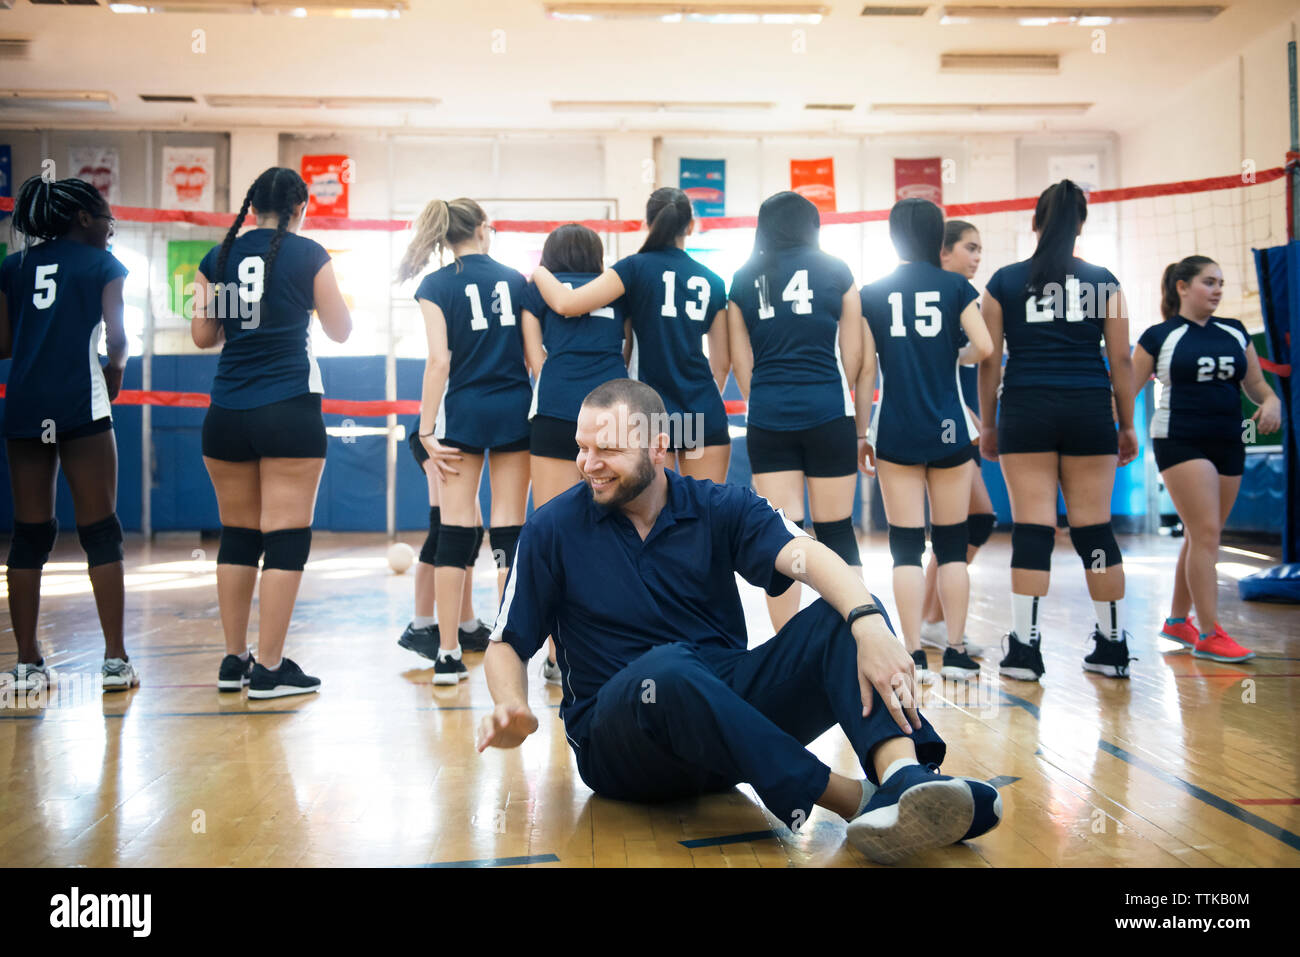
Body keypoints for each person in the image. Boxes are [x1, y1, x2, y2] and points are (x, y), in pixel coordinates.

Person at [477, 378, 1002, 865]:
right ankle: (857, 800)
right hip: (623, 745)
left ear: (658, 448)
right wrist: (510, 705)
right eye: (581, 447)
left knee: (847, 613)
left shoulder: (717, 505)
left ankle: (904, 778)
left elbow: (806, 554)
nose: (587, 463)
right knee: (669, 672)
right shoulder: (552, 528)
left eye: (606, 450)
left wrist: (869, 623)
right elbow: (506, 642)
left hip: (726, 726)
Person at [192, 166, 352, 698]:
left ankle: (233, 660)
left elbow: (201, 335)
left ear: (251, 206)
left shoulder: (216, 257)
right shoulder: (308, 254)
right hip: (289, 409)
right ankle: (269, 668)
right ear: (301, 208)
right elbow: (340, 329)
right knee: (285, 536)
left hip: (227, 411)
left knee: (237, 533)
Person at [978, 180, 1138, 681]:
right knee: (1094, 529)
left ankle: (1025, 651)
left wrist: (987, 424)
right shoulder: (1105, 282)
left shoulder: (1003, 281)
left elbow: (990, 363)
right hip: (1090, 408)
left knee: (1032, 529)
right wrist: (1127, 423)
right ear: (1081, 224)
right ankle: (1112, 648)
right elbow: (1120, 360)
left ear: (1036, 221)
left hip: (1026, 409)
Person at [0, 175, 134, 693]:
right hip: (81, 404)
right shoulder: (103, 265)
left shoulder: (13, 267)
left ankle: (28, 662)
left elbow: (5, 342)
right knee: (100, 530)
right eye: (106, 218)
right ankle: (116, 662)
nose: (109, 227)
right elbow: (117, 337)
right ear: (83, 218)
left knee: (30, 534)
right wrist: (116, 367)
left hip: (25, 408)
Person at [398, 198, 531, 686]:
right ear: (481, 230)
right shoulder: (517, 279)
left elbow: (439, 361)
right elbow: (532, 352)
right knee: (508, 536)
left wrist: (425, 429)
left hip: (465, 413)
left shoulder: (434, 284)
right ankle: (508, 646)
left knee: (455, 532)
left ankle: (449, 654)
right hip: (515, 408)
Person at [859, 200, 992, 683]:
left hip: (894, 428)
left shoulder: (871, 292)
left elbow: (865, 367)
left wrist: (861, 431)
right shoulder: (957, 286)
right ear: (938, 237)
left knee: (905, 547)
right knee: (953, 545)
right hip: (951, 428)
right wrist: (951, 354)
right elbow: (985, 348)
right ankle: (955, 651)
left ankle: (912, 654)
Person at [1133, 256, 1282, 662]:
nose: (1217, 289)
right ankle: (1210, 633)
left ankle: (1178, 621)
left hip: (1229, 440)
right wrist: (1118, 434)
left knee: (1202, 533)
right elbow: (1125, 390)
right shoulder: (1159, 335)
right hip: (1179, 440)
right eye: (1208, 282)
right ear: (1182, 286)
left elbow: (1255, 385)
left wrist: (1271, 402)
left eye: (1221, 283)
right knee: (1207, 532)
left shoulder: (1234, 332)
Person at [727, 191, 863, 633]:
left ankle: (787, 646)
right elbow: (855, 355)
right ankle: (853, 637)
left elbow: (740, 360)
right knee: (838, 529)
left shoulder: (743, 277)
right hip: (828, 411)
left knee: (784, 535)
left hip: (769, 414)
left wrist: (766, 397)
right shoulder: (838, 270)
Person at [528, 188, 731, 483]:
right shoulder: (713, 280)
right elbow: (722, 364)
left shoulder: (633, 268)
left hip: (650, 413)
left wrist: (540, 272)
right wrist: (698, 400)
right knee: (707, 511)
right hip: (700, 409)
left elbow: (568, 304)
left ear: (648, 223)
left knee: (661, 513)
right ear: (689, 226)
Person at [520, 223, 631, 684]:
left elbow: (535, 359)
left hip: (557, 411)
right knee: (616, 532)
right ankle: (613, 647)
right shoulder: (617, 292)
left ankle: (554, 656)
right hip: (612, 413)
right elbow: (626, 347)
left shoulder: (537, 292)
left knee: (552, 533)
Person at [919, 220, 993, 659]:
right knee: (967, 523)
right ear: (943, 252)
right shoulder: (950, 294)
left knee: (971, 522)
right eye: (970, 248)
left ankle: (932, 620)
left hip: (957, 420)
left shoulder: (961, 296)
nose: (977, 256)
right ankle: (931, 624)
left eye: (980, 249)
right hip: (942, 426)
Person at [396, 425, 492, 661]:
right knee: (445, 526)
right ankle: (421, 625)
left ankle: (466, 624)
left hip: (456, 434)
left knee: (472, 531)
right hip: (436, 436)